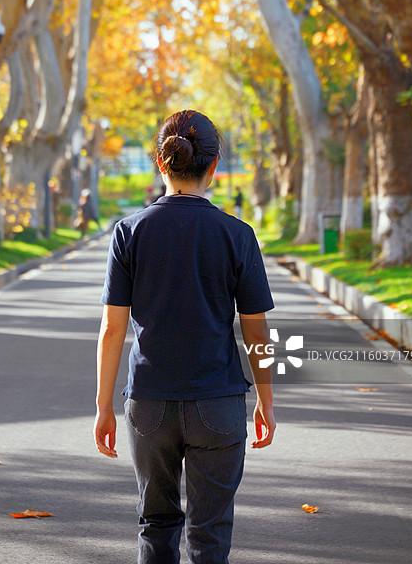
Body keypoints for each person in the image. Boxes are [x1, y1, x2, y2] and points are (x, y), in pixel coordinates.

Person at [94, 110, 276, 564]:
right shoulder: (238, 235)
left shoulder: (129, 232)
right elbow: (255, 327)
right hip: (219, 403)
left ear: (161, 162)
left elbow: (113, 328)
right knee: (211, 533)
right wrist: (267, 399)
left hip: (149, 405)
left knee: (155, 525)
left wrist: (103, 406)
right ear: (214, 167)